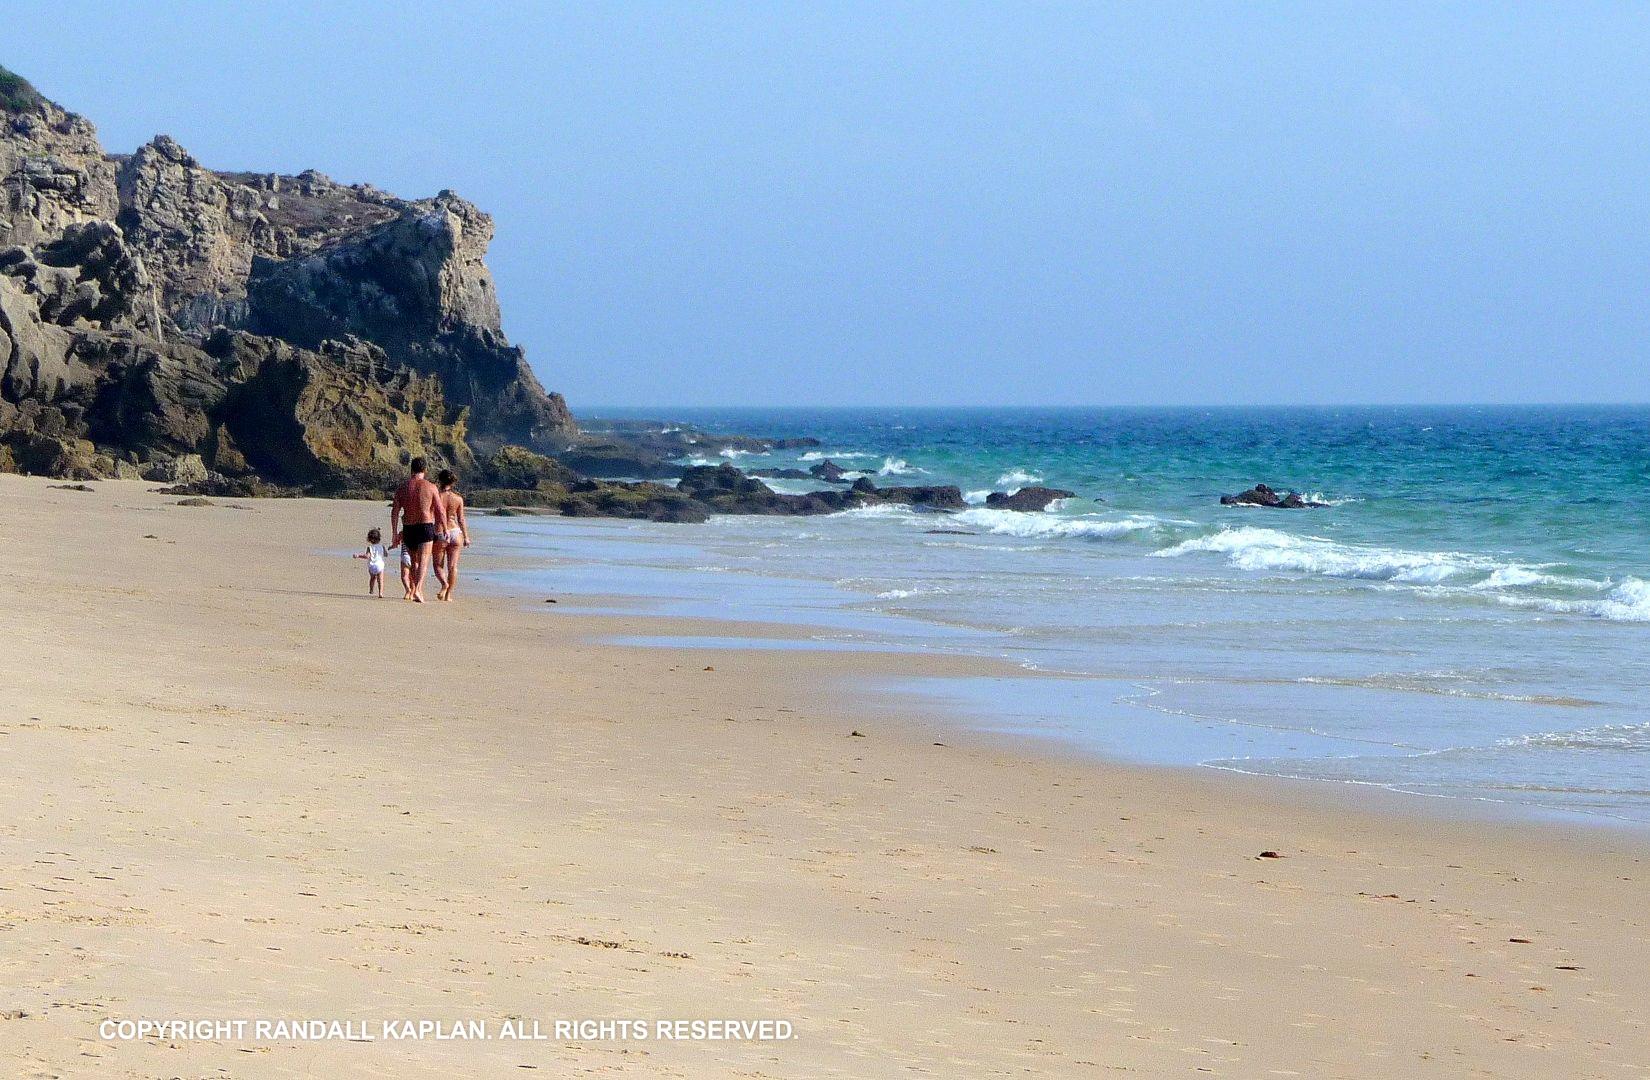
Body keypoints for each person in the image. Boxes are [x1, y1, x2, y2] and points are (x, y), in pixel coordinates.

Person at [390, 456, 447, 604]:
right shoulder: (431, 487)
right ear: (425, 470)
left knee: (413, 562)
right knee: (423, 561)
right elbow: (440, 511)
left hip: (408, 527)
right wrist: (445, 528)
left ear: (411, 470)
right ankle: (418, 589)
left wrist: (395, 532)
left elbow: (395, 511)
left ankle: (413, 587)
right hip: (425, 526)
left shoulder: (402, 487)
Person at [431, 469, 470, 602]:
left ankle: (444, 584)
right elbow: (461, 519)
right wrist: (466, 537)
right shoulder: (458, 498)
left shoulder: (436, 496)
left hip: (441, 532)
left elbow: (430, 514)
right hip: (455, 532)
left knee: (437, 565)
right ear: (452, 482)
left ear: (440, 480)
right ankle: (448, 595)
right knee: (453, 566)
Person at [353, 527, 391, 597]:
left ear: (369, 539)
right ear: (379, 538)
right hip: (380, 565)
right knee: (380, 579)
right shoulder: (382, 546)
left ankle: (371, 589)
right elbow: (386, 554)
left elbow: (367, 556)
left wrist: (358, 555)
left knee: (372, 578)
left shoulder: (369, 548)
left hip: (372, 566)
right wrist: (385, 551)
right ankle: (380, 593)